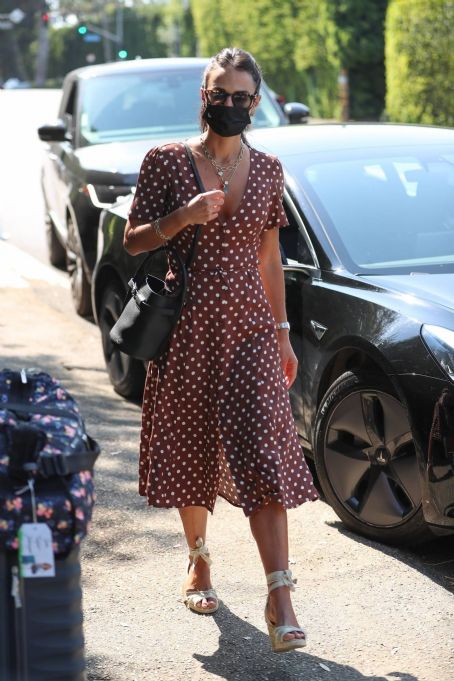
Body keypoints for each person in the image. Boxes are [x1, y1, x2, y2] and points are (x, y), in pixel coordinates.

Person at [123, 47, 319, 653]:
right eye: (219, 93)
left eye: (241, 96)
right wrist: (180, 218)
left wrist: (284, 334)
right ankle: (199, 559)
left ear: (256, 104)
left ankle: (280, 595)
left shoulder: (268, 170)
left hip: (252, 333)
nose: (228, 105)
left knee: (263, 450)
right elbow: (133, 241)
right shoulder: (166, 161)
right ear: (203, 96)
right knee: (191, 445)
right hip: (186, 330)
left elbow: (269, 257)